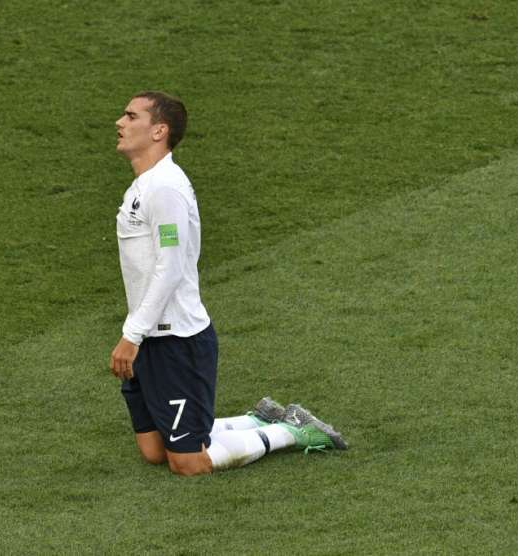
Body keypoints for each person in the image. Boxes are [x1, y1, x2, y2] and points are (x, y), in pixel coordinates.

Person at [110, 91, 347, 476]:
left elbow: (170, 268)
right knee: (154, 451)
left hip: (176, 340)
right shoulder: (144, 186)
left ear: (159, 131)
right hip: (151, 334)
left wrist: (131, 335)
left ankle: (290, 430)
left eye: (131, 116)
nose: (120, 123)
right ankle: (257, 419)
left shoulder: (165, 188)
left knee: (188, 462)